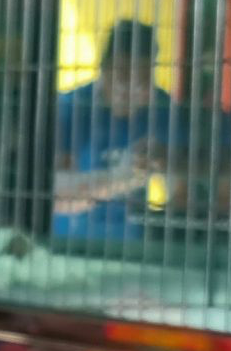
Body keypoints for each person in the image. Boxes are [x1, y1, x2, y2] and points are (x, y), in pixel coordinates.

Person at [52, 20, 184, 243]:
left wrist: (169, 163)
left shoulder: (164, 111)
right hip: (69, 244)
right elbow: (56, 195)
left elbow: (182, 193)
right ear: (103, 68)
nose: (131, 85)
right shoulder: (69, 108)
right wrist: (123, 178)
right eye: (122, 73)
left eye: (142, 75)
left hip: (135, 250)